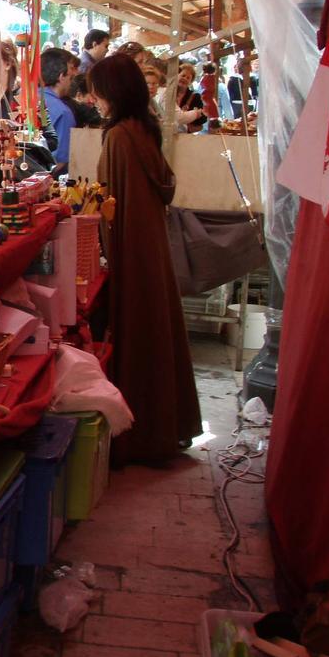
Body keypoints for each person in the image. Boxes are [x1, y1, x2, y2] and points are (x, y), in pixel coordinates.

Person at [88, 54, 201, 464]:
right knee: (156, 332)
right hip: (148, 246)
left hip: (132, 249)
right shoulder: (142, 129)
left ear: (112, 92)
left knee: (139, 333)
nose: (94, 100)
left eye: (98, 92)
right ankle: (161, 429)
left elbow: (112, 206)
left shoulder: (119, 136)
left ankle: (142, 433)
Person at [40, 47, 76, 175]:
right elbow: (58, 162)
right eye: (70, 77)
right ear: (61, 77)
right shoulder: (63, 112)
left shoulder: (25, 99)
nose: (72, 81)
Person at [176, 61, 206, 132]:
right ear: (177, 75)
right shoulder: (168, 93)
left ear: (190, 82)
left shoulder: (195, 97)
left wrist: (190, 119)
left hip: (185, 135)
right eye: (183, 76)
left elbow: (203, 118)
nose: (185, 79)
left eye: (188, 78)